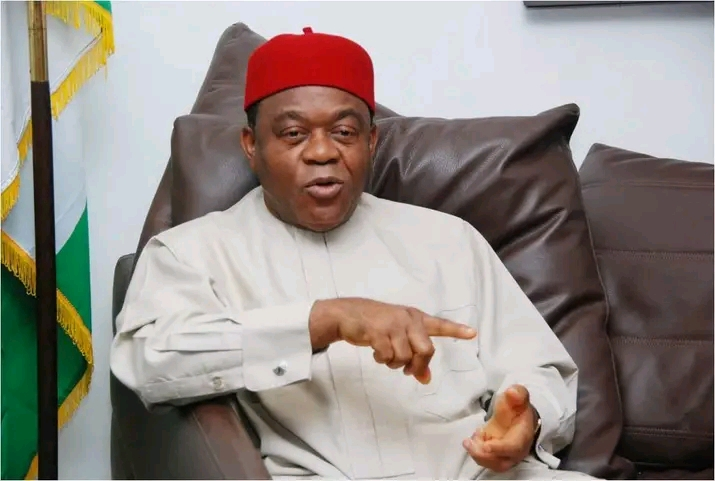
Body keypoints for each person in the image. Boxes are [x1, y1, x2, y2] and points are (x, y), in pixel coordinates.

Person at [110, 27, 597, 480]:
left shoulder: (449, 238)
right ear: (251, 145)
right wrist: (323, 321)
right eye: (293, 133)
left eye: (344, 132)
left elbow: (540, 366)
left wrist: (527, 418)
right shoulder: (190, 252)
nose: (322, 152)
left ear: (371, 141)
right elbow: (149, 361)